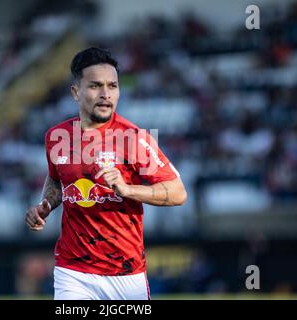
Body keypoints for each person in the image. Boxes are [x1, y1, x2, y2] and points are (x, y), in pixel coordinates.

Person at [25, 47, 187, 300]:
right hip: (73, 271)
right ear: (75, 92)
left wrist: (128, 189)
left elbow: (178, 192)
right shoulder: (57, 137)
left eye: (112, 86)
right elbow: (57, 179)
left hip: (126, 273)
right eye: (95, 86)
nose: (105, 94)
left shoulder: (133, 138)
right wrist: (45, 205)